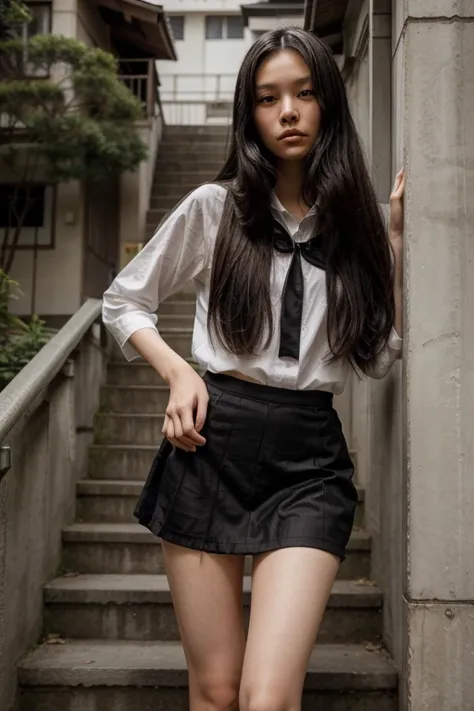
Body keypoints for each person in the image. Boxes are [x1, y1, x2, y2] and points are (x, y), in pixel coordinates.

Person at [102, 26, 405, 711]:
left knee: (267, 695)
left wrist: (391, 243)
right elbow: (124, 301)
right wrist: (181, 373)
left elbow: (381, 354)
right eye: (268, 99)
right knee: (215, 690)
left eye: (303, 93)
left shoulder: (352, 230)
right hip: (212, 446)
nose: (288, 111)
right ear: (251, 115)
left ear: (328, 102)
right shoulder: (216, 209)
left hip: (309, 463)